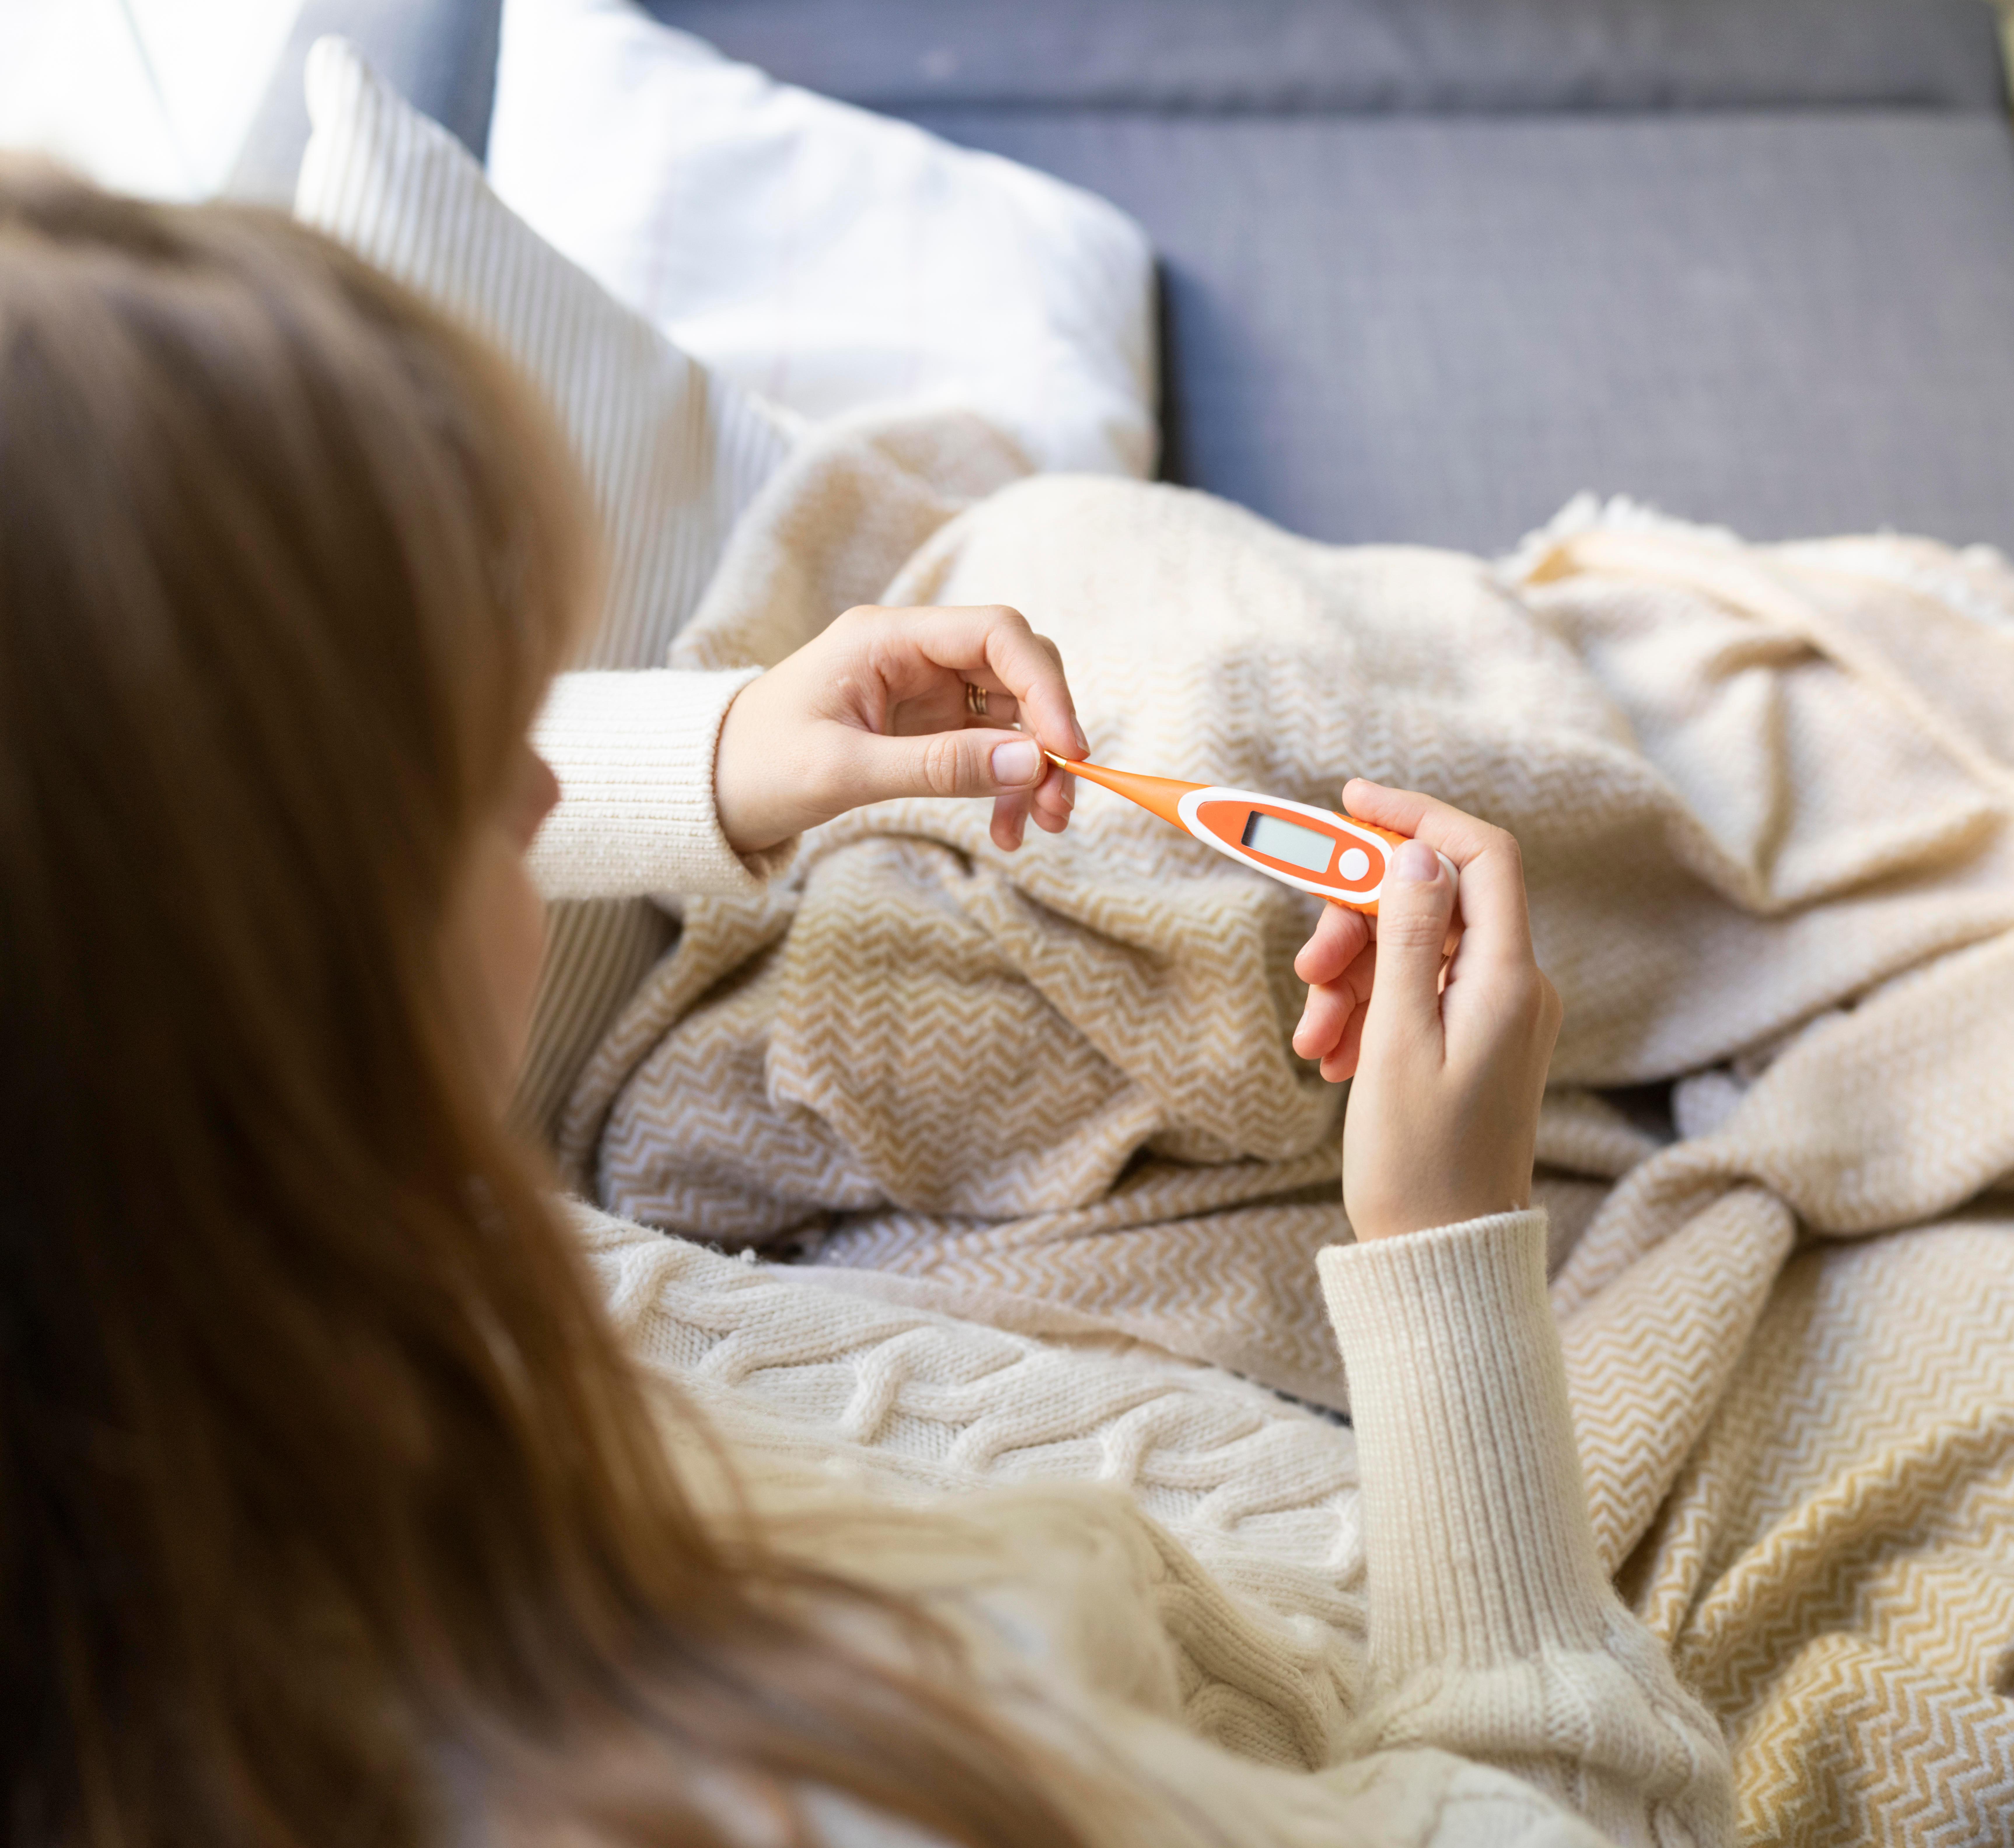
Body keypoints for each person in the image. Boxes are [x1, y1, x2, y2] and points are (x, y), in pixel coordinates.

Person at [0, 169, 1730, 1845]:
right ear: (269, 990)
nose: (542, 803)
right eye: (467, 766)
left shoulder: (144, 1255)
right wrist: (1447, 1250)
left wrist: (717, 759)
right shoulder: (809, 1777)